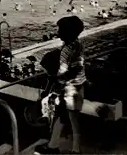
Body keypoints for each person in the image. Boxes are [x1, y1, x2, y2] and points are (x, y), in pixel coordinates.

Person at [35, 16, 85, 155]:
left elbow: (62, 73)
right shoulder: (78, 44)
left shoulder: (65, 51)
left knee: (65, 117)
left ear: (67, 32)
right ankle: (58, 146)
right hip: (79, 84)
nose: (58, 32)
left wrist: (53, 79)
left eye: (60, 29)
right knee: (68, 117)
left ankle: (67, 149)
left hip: (69, 88)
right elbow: (78, 65)